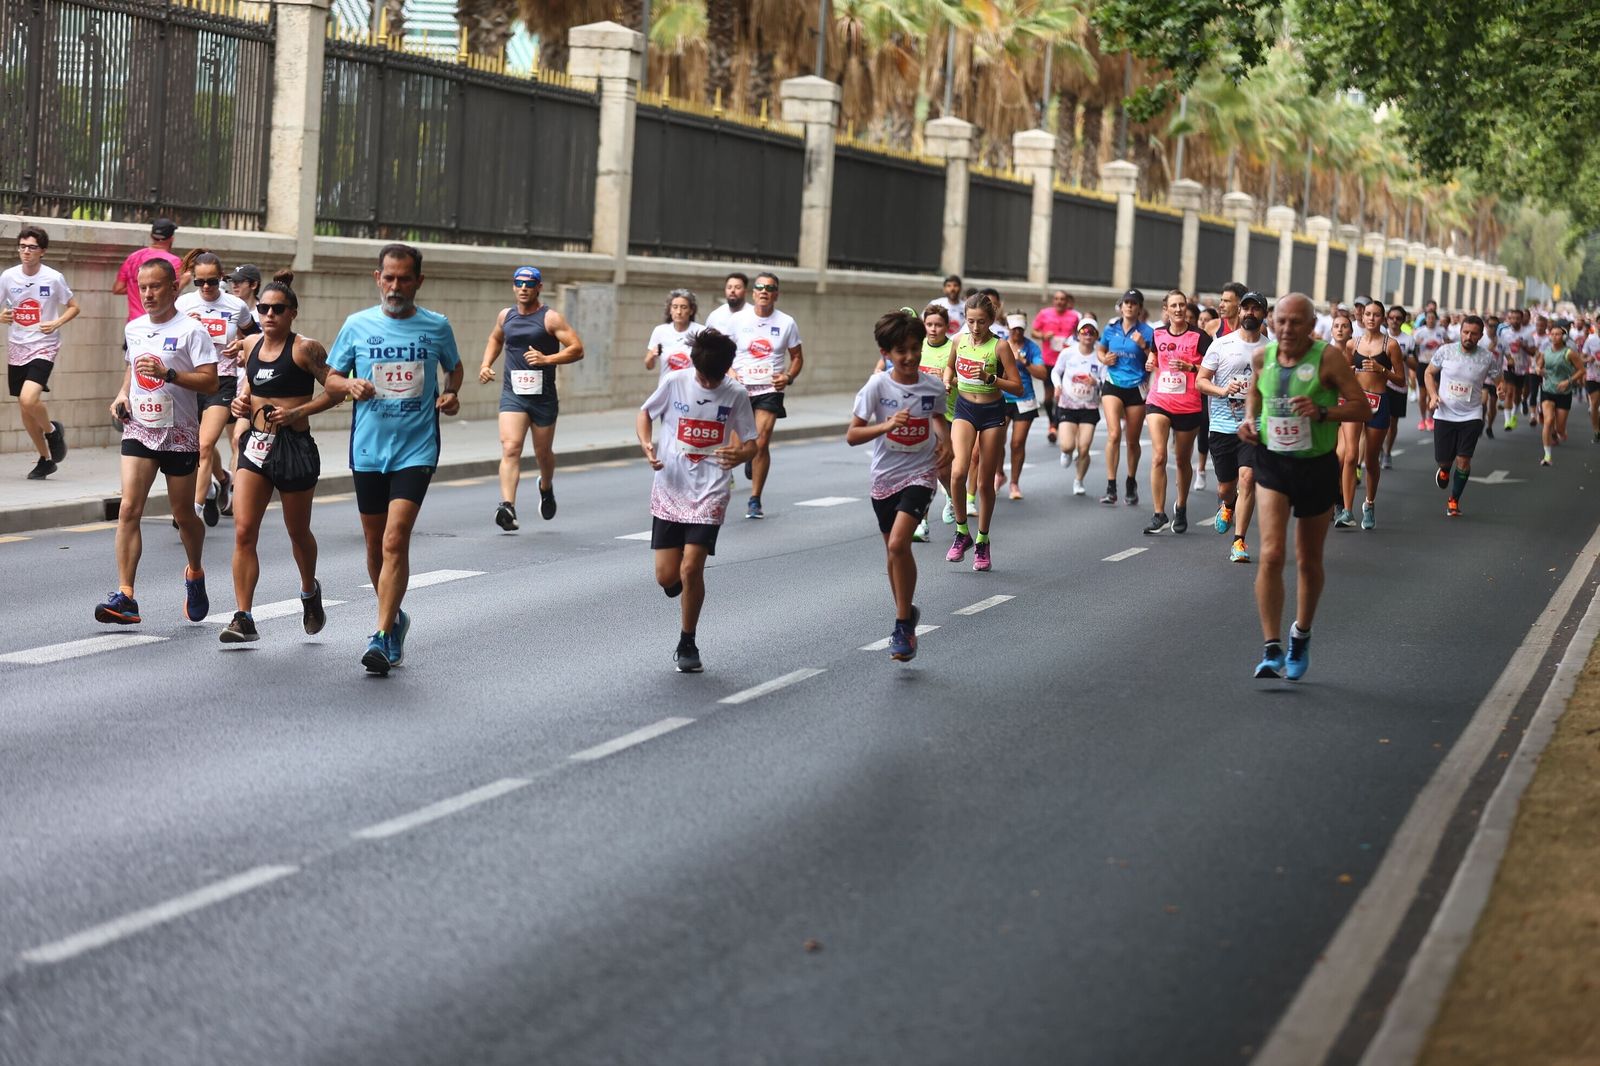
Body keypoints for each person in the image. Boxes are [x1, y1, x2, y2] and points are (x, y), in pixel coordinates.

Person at [325, 243, 464, 676]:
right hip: (368, 448)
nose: (396, 286)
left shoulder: (436, 326)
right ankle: (395, 615)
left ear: (418, 281)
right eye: (389, 277)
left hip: (416, 447)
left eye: (404, 278)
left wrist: (451, 392)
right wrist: (349, 387)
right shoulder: (356, 325)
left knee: (394, 539)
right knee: (373, 544)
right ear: (377, 278)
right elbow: (330, 376)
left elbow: (454, 368)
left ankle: (382, 635)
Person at [1238, 293, 1371, 680]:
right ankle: (1270, 646)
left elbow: (1362, 406)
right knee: (1273, 553)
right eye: (1280, 321)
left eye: (1296, 322)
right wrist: (1249, 420)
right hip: (1273, 462)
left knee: (1308, 559)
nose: (1286, 329)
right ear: (1271, 321)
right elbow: (1256, 393)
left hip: (1316, 465)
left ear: (1312, 326)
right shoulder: (1263, 356)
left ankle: (1301, 634)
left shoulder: (1327, 358)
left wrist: (1324, 411)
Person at [95, 257, 218, 626]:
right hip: (140, 429)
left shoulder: (191, 331)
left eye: (155, 286)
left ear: (173, 288)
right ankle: (126, 595)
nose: (147, 294)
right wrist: (121, 395)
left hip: (179, 434)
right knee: (129, 508)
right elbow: (133, 367)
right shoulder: (134, 328)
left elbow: (210, 382)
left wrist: (170, 374)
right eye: (142, 287)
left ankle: (195, 572)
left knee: (183, 515)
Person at [221, 277, 343, 642]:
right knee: (244, 531)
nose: (269, 314)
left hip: (294, 447)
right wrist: (240, 404)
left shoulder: (306, 349)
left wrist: (299, 411)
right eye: (264, 309)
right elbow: (250, 387)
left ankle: (309, 590)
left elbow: (337, 389)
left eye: (278, 309)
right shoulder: (249, 343)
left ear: (292, 313)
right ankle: (243, 616)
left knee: (297, 531)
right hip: (257, 445)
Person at [636, 328, 756, 673]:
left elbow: (752, 441)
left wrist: (741, 454)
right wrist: (647, 445)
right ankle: (681, 588)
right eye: (703, 375)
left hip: (711, 490)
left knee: (692, 568)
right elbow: (645, 413)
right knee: (666, 577)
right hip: (671, 486)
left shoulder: (735, 394)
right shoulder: (675, 381)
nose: (707, 382)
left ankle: (687, 641)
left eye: (713, 377)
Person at [847, 309, 950, 662]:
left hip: (920, 473)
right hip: (883, 478)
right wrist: (886, 426)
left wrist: (945, 442)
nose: (909, 357)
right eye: (901, 351)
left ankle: (903, 624)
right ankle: (906, 612)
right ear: (886, 353)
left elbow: (938, 417)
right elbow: (853, 434)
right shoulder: (877, 386)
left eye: (915, 348)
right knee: (894, 555)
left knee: (898, 543)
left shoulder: (932, 386)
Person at [477, 266, 584, 531]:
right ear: (513, 287)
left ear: (539, 288)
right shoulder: (506, 316)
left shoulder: (550, 318)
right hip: (513, 393)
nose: (523, 288)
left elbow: (577, 349)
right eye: (519, 283)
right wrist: (485, 363)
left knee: (542, 452)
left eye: (529, 284)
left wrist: (548, 359)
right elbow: (495, 338)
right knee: (511, 447)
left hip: (543, 396)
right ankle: (507, 506)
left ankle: (545, 487)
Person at [943, 292, 1022, 571]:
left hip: (992, 413)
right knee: (957, 472)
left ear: (990, 320)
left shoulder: (999, 347)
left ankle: (982, 540)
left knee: (984, 482)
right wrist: (947, 381)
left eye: (981, 322)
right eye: (971, 321)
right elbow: (949, 366)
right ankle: (962, 532)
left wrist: (991, 378)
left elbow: (1018, 387)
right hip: (964, 409)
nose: (975, 328)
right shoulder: (958, 340)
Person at [175, 252, 253, 526]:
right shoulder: (183, 304)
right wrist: (187, 326)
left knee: (205, 444)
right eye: (200, 282)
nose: (206, 287)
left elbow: (255, 336)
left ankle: (192, 510)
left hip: (223, 380)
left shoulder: (235, 305)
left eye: (211, 281)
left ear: (221, 279)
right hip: (190, 380)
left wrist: (241, 347)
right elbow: (168, 340)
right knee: (190, 446)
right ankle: (213, 487)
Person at [3, 225, 77, 478]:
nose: (26, 251)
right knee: (25, 409)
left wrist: (56, 322)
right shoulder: (8, 277)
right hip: (17, 345)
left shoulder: (53, 278)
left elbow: (73, 307)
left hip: (44, 345)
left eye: (32, 247)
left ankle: (52, 431)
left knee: (28, 399)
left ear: (42, 251)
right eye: (22, 246)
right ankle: (46, 459)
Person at [1198, 290, 1267, 562]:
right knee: (1227, 487)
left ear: (1263, 314)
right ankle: (1227, 504)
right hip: (1223, 424)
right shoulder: (1221, 345)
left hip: (1254, 425)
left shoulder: (1270, 349)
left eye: (1256, 309)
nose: (1250, 313)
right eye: (1246, 308)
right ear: (1239, 312)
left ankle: (1239, 542)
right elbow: (1200, 381)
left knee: (1248, 479)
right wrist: (1223, 389)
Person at [728, 271, 803, 520]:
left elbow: (797, 358)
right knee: (737, 447)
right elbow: (725, 353)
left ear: (776, 295)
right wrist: (730, 373)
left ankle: (754, 499)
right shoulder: (738, 320)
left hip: (769, 389)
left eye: (769, 288)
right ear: (753, 293)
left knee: (761, 441)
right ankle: (748, 457)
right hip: (740, 390)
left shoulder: (786, 323)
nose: (764, 291)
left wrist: (788, 377)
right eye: (760, 287)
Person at [1141, 290, 1211, 534]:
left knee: (1182, 460)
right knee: (1159, 456)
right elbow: (1154, 357)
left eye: (1182, 305)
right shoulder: (1157, 333)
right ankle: (1158, 513)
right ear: (1166, 309)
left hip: (1189, 405)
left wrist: (1191, 366)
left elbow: (1213, 367)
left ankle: (1180, 506)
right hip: (1159, 399)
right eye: (1174, 305)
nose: (1179, 309)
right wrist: (1151, 363)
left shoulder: (1199, 336)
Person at [1335, 300, 1405, 529]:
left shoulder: (1391, 345)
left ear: (1382, 319)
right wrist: (1350, 371)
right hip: (1355, 401)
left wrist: (1382, 369)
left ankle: (1369, 503)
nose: (1371, 318)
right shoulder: (1352, 344)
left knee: (1372, 460)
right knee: (1350, 456)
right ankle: (1347, 511)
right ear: (1362, 318)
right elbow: (1344, 372)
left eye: (1376, 315)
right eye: (1368, 314)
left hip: (1379, 402)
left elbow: (1401, 380)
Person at [1424, 316, 1501, 517]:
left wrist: (1501, 389)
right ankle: (1444, 470)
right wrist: (1433, 396)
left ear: (1480, 336)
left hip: (1472, 414)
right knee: (1444, 461)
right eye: (1465, 332)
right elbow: (1429, 373)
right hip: (1444, 413)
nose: (1468, 336)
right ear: (1460, 332)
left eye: (1473, 333)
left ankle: (1454, 500)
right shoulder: (1445, 351)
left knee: (1464, 460)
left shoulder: (1487, 357)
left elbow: (1498, 378)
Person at [1097, 289, 1155, 505]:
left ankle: (1131, 481)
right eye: (1126, 302)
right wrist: (1104, 359)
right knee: (1113, 434)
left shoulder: (1148, 332)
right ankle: (1111, 485)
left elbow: (1155, 360)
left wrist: (1143, 346)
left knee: (1132, 440)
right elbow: (1100, 350)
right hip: (1113, 384)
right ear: (1121, 306)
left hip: (1136, 387)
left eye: (1133, 303)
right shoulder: (1111, 328)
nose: (1129, 306)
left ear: (1140, 308)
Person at [916, 302, 959, 537]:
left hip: (947, 415)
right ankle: (922, 522)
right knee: (924, 470)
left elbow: (963, 382)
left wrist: (948, 381)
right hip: (921, 415)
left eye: (938, 325)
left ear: (946, 326)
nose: (933, 329)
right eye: (929, 324)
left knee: (943, 471)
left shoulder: (953, 348)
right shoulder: (918, 347)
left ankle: (952, 498)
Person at [1052, 320, 1104, 495]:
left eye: (1092, 332)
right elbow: (1055, 371)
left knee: (1084, 447)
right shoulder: (1068, 353)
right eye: (1084, 331)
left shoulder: (1100, 355)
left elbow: (1105, 379)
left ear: (1096, 335)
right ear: (1078, 333)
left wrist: (1095, 381)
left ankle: (1079, 480)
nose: (1087, 335)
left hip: (1089, 406)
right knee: (1067, 446)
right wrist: (1057, 385)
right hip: (1068, 404)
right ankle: (1066, 452)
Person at [1001, 312, 1047, 499]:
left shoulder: (1032, 347)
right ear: (1008, 328)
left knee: (1017, 443)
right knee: (996, 442)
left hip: (1024, 398)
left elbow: (1043, 374)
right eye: (1014, 329)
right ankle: (999, 473)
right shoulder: (1000, 344)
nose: (1017, 333)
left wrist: (1024, 362)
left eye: (1020, 329)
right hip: (1001, 398)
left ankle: (1014, 483)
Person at [112, 218, 184, 322]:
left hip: (134, 325)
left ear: (151, 236)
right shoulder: (174, 262)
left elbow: (117, 288)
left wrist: (138, 287)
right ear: (172, 238)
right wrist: (184, 282)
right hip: (160, 325)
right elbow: (172, 294)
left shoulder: (133, 257)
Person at [1032, 289, 1079, 438]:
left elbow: (1079, 336)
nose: (1059, 301)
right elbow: (1034, 331)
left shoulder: (1074, 317)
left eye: (1062, 299)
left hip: (1067, 362)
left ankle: (1054, 426)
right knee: (1047, 398)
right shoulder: (1044, 313)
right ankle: (1052, 421)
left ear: (1067, 302)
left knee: (1061, 396)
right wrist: (1043, 335)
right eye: (1057, 299)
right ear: (1053, 301)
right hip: (1048, 361)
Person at [1535, 322, 1582, 466]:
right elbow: (1538, 366)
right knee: (1548, 421)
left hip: (1564, 392)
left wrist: (1568, 381)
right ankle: (1547, 456)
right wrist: (1539, 370)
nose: (1555, 337)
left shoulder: (1569, 353)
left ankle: (1561, 431)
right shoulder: (1546, 351)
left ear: (1563, 337)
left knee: (1560, 428)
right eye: (1553, 334)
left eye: (1558, 334)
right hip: (1548, 390)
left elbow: (1581, 371)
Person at [645, 288, 703, 380]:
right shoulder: (660, 331)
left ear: (691, 311)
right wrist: (652, 355)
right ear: (670, 310)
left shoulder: (700, 332)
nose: (679, 312)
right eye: (675, 307)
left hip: (691, 389)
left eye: (683, 307)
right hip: (667, 389)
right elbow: (649, 366)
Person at [1381, 304, 1412, 467]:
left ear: (1403, 320)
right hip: (1381, 383)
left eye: (1398, 318)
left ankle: (1387, 452)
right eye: (1391, 318)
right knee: (1378, 420)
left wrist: (1403, 357)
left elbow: (1416, 364)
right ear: (1387, 319)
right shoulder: (1381, 336)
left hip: (1399, 385)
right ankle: (1377, 447)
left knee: (1393, 421)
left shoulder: (1408, 339)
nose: (1394, 321)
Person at [1411, 309, 1448, 430]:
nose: (1431, 320)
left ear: (1436, 319)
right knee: (1422, 395)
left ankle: (1430, 417)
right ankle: (1422, 419)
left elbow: (1448, 343)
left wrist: (1443, 344)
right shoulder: (1420, 332)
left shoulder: (1441, 331)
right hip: (1422, 364)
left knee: (1432, 393)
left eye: (1433, 318)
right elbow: (1412, 348)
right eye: (1428, 318)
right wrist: (1417, 344)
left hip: (1436, 366)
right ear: (1425, 319)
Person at [1582, 321, 1600, 443]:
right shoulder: (1591, 340)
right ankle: (1596, 431)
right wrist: (1588, 359)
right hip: (1593, 376)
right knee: (1594, 404)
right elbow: (1582, 357)